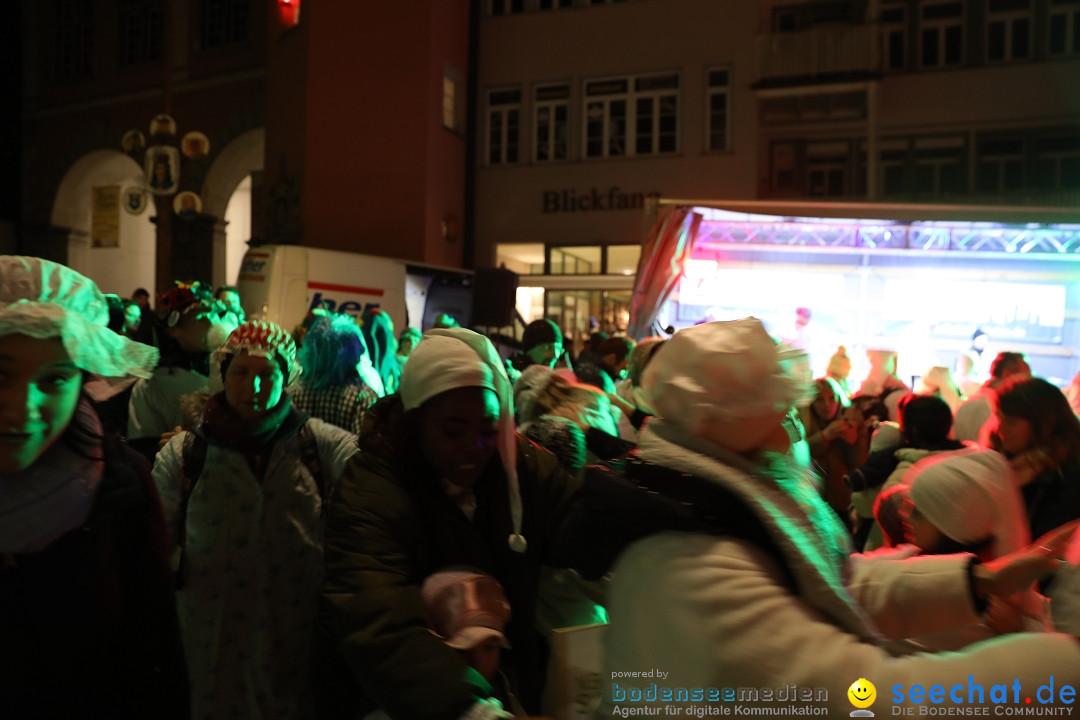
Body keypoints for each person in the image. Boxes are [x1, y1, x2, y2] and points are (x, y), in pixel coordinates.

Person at [589, 318, 1080, 716]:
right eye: (783, 413)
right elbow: (861, 694)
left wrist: (979, 580)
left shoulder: (713, 504)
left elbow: (831, 581)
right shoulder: (690, 561)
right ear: (734, 423)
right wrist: (1063, 668)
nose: (795, 430)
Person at [320, 327, 582, 719]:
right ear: (415, 421)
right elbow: (378, 622)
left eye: (488, 430)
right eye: (453, 430)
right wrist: (470, 709)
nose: (474, 446)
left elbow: (580, 524)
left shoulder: (516, 466)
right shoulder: (371, 491)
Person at [0, 256, 188, 718]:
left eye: (55, 378)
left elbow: (151, 660)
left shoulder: (118, 485)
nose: (22, 408)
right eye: (0, 373)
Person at [153, 320, 359, 720]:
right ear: (222, 374)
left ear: (287, 377)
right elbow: (152, 545)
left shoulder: (315, 443)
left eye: (269, 374)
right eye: (241, 373)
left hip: (295, 645)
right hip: (207, 646)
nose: (254, 386)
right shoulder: (183, 455)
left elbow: (371, 467)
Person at [127, 282, 229, 460]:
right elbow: (140, 451)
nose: (211, 322)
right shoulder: (154, 384)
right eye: (199, 318)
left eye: (213, 314)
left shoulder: (234, 369)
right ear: (174, 330)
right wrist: (173, 446)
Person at [986, 375, 1080, 540]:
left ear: (1043, 425)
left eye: (1011, 422)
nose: (999, 428)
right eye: (998, 418)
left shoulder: (1068, 474)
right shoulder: (996, 462)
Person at [290, 313, 379, 435]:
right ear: (352, 354)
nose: (362, 351)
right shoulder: (362, 399)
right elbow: (364, 449)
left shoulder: (294, 392)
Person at [953, 351, 1031, 443]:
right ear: (1008, 375)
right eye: (1026, 377)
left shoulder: (966, 403)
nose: (1029, 384)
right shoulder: (1001, 409)